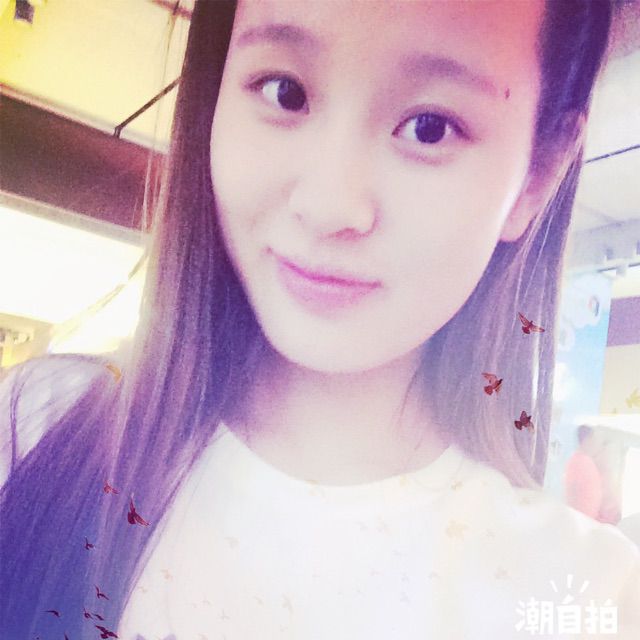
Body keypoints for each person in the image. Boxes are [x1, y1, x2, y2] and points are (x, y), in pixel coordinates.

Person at [1, 1, 638, 638]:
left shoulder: (587, 597)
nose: (329, 205)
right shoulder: (37, 426)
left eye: (431, 128)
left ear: (538, 174)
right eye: (285, 91)